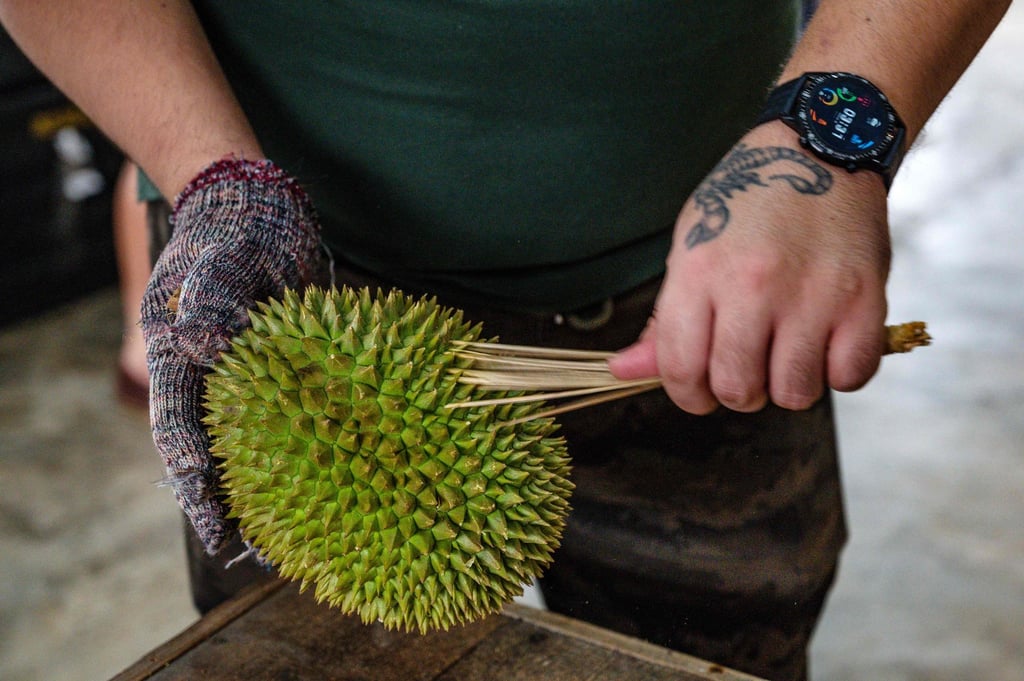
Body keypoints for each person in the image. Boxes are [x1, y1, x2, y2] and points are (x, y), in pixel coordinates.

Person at [0, 2, 1010, 679]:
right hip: (290, 299)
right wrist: (209, 177)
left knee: (720, 649)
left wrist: (831, 136)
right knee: (312, 657)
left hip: (722, 288)